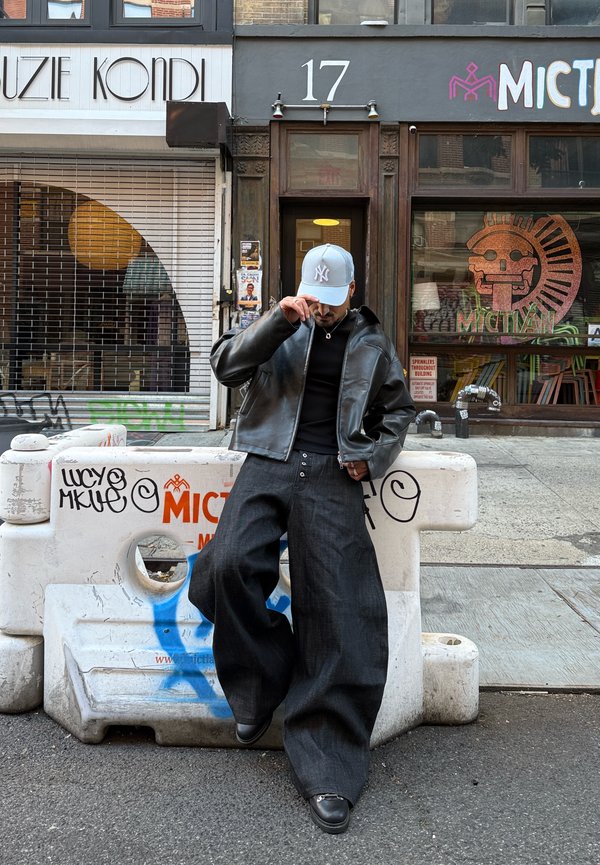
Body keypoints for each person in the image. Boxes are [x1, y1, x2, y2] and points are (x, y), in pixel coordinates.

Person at [188, 243, 415, 834]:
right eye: (316, 298)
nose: (323, 309)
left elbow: (398, 412)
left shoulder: (371, 341)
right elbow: (225, 366)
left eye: (333, 300)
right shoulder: (280, 322)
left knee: (341, 608)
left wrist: (372, 457)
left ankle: (329, 768)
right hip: (269, 460)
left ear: (351, 291)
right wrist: (278, 320)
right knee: (225, 566)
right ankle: (262, 682)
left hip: (335, 472)